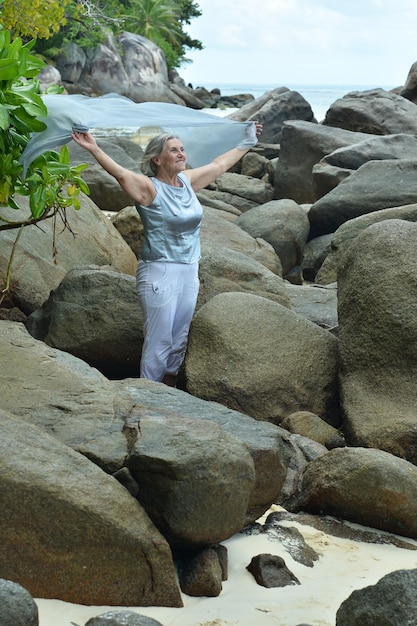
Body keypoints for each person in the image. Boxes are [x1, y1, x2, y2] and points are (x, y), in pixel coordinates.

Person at [72, 120, 263, 387]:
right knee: (159, 339)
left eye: (182, 149)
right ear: (157, 159)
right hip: (159, 272)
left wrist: (246, 142)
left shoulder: (186, 182)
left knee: (178, 339)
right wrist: (94, 149)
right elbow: (121, 174)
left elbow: (220, 165)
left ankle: (170, 392)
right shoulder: (149, 188)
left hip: (189, 271)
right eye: (174, 150)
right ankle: (148, 394)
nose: (181, 154)